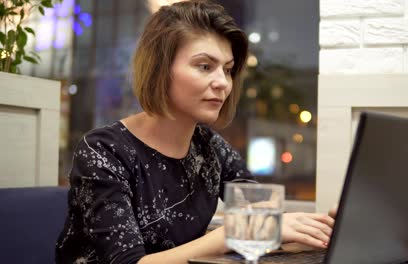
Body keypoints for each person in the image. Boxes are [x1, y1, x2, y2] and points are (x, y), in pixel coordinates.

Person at [55, 1, 336, 263]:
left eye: (227, 70)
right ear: (160, 69)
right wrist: (231, 234)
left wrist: (311, 233)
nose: (223, 83)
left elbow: (259, 220)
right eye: (205, 66)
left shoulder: (210, 147)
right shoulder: (103, 152)